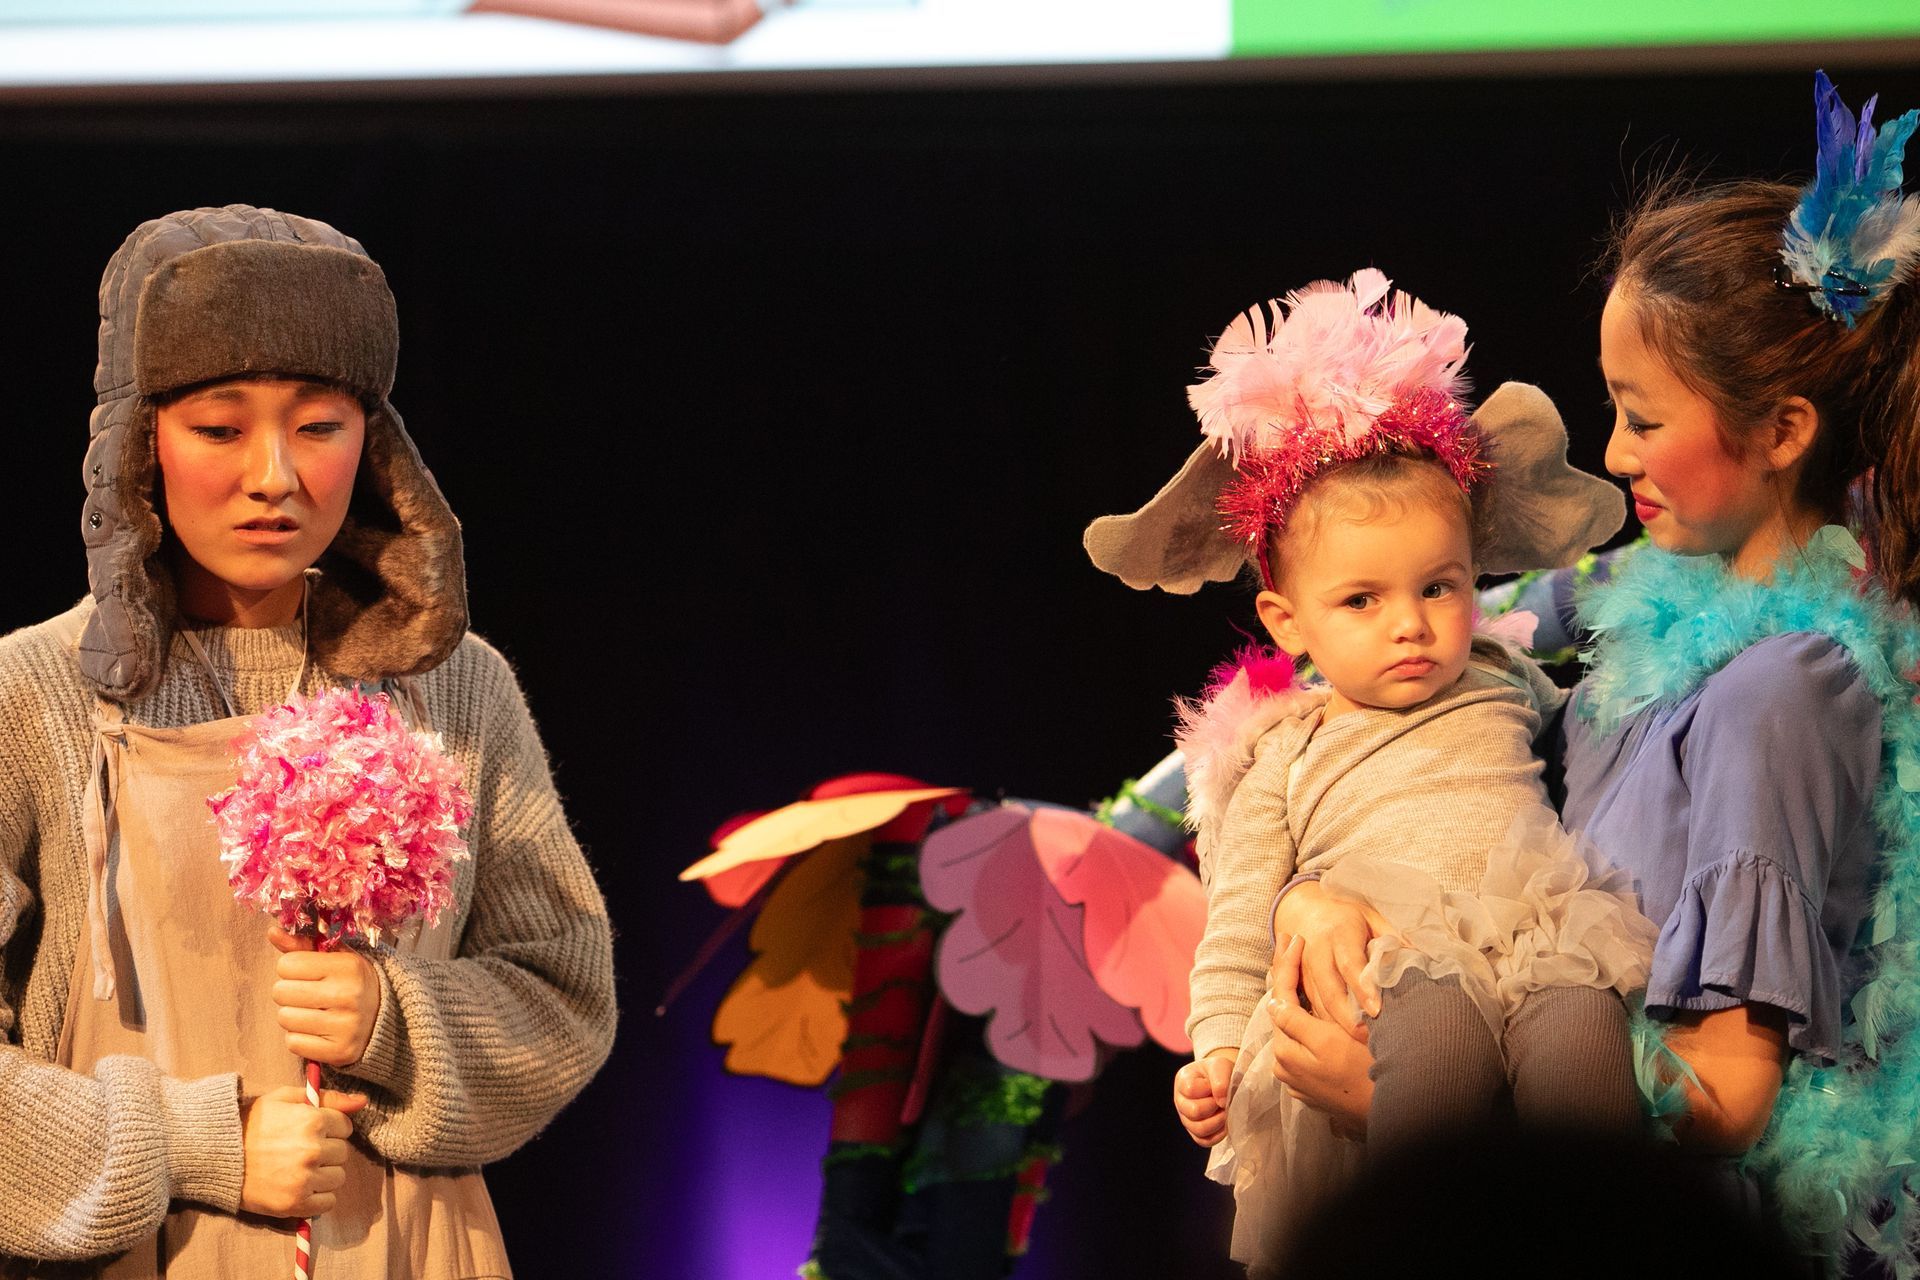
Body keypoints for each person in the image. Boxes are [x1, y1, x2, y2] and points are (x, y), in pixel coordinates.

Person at [1263, 72, 1920, 1271]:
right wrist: (1311, 892)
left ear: (1781, 431)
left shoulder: (1780, 693)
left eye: (1644, 416)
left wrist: (1424, 1104)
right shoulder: (1638, 632)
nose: (1614, 453)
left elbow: (1728, 1096)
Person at [0, 205, 618, 1277]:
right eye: (220, 426)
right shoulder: (33, 694)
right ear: (138, 441)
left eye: (319, 424)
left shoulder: (454, 687)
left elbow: (562, 987)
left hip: (407, 1247)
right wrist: (200, 1143)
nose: (274, 475)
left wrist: (396, 1019)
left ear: (374, 446)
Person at [1084, 270, 1653, 1272]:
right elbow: (1238, 917)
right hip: (1399, 964)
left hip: (1538, 932)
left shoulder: (1504, 674)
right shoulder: (1284, 748)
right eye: (1361, 599)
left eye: (1438, 585)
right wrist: (1214, 1048)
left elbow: (1602, 745)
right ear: (1286, 621)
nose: (1410, 622)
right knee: (1428, 1067)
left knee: (1587, 1053)